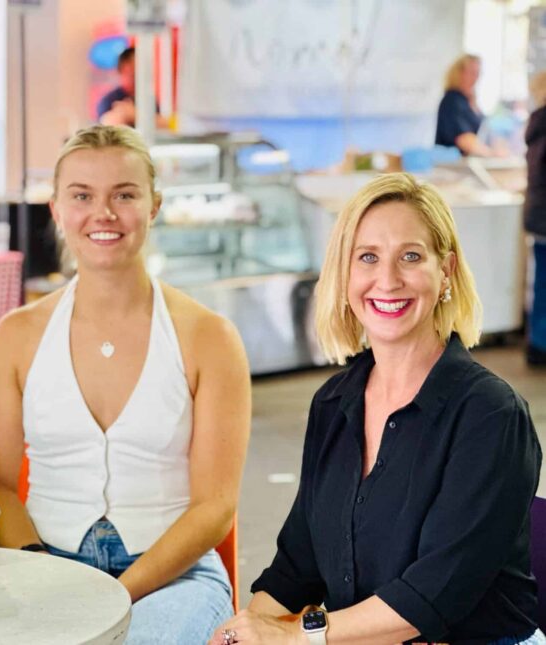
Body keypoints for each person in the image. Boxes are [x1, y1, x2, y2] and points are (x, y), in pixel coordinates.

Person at [211, 173, 543, 644]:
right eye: (367, 257)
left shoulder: (491, 416)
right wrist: (240, 633)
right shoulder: (333, 403)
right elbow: (298, 564)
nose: (387, 280)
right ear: (345, 273)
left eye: (411, 256)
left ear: (445, 271)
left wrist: (296, 637)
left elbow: (430, 599)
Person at [0, 124, 251, 643]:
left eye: (124, 195)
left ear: (154, 206)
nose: (103, 214)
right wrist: (41, 575)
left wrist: (116, 593)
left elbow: (215, 507)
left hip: (174, 577)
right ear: (56, 209)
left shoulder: (210, 338)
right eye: (82, 196)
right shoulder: (16, 336)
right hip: (44, 568)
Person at [435, 53, 501, 157]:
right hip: (455, 164)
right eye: (472, 73)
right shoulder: (452, 101)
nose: (475, 78)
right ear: (459, 74)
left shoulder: (470, 101)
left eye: (478, 73)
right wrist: (492, 154)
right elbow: (464, 139)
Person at [524, 71, 546, 366]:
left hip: (538, 214)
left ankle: (538, 342)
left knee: (541, 282)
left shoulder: (536, 123)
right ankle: (539, 343)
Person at [97, 46, 168, 129]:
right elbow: (108, 126)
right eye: (135, 64)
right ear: (124, 67)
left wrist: (133, 114)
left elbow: (164, 125)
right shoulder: (109, 100)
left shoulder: (148, 99)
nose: (141, 69)